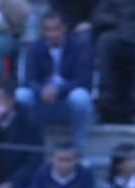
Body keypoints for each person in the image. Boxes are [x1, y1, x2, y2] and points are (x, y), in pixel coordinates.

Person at [16, 11, 94, 153]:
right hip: (43, 96)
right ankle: (27, 142)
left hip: (67, 95)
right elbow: (29, 80)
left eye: (55, 29)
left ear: (64, 28)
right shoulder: (35, 48)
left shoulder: (79, 47)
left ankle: (78, 147)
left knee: (81, 97)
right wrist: (42, 90)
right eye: (47, 30)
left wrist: (58, 90)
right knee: (21, 95)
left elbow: (83, 80)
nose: (51, 34)